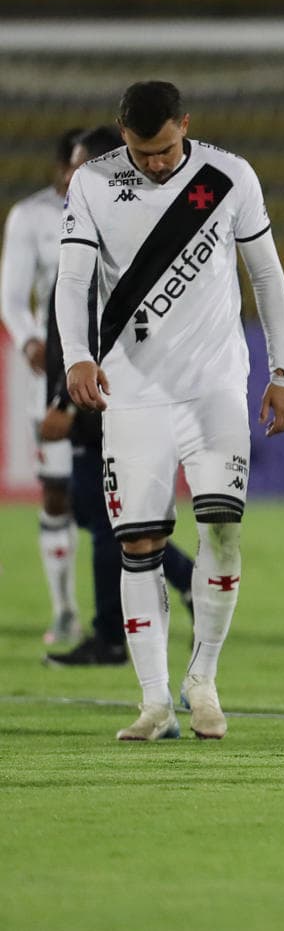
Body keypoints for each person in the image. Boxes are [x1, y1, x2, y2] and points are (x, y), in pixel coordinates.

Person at [58, 81, 284, 742]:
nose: (157, 162)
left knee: (221, 529)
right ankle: (154, 701)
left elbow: (267, 274)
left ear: (185, 126)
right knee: (138, 542)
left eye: (166, 149)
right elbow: (75, 277)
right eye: (143, 150)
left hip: (215, 387)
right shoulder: (94, 184)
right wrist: (77, 355)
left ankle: (204, 678)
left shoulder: (227, 178)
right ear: (124, 135)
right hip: (131, 393)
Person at [42, 126, 195, 668]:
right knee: (103, 513)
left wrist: (63, 402)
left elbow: (97, 320)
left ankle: (112, 634)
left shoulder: (116, 228)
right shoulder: (93, 218)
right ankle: (186, 582)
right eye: (70, 168)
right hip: (94, 394)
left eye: (83, 167)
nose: (71, 179)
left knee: (112, 515)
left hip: (104, 397)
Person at [3, 128, 84, 645]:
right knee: (56, 491)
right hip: (55, 373)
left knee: (121, 498)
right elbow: (12, 295)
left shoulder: (130, 208)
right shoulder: (31, 217)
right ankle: (64, 609)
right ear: (61, 170)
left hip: (117, 377)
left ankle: (134, 611)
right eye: (76, 166)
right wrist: (32, 342)